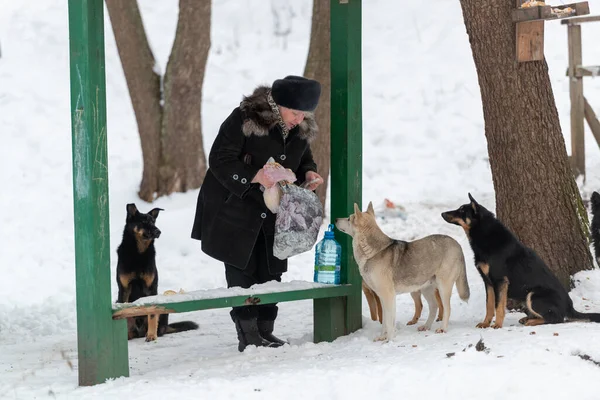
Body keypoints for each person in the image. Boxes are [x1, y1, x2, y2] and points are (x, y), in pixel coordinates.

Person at [191, 76, 324, 351]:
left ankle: (266, 331)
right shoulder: (246, 117)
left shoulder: (300, 126)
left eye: (304, 114)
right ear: (279, 104)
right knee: (242, 269)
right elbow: (219, 158)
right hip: (235, 205)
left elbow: (303, 156)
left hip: (274, 208)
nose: (299, 119)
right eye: (295, 113)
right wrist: (255, 176)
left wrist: (308, 171)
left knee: (271, 269)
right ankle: (248, 334)